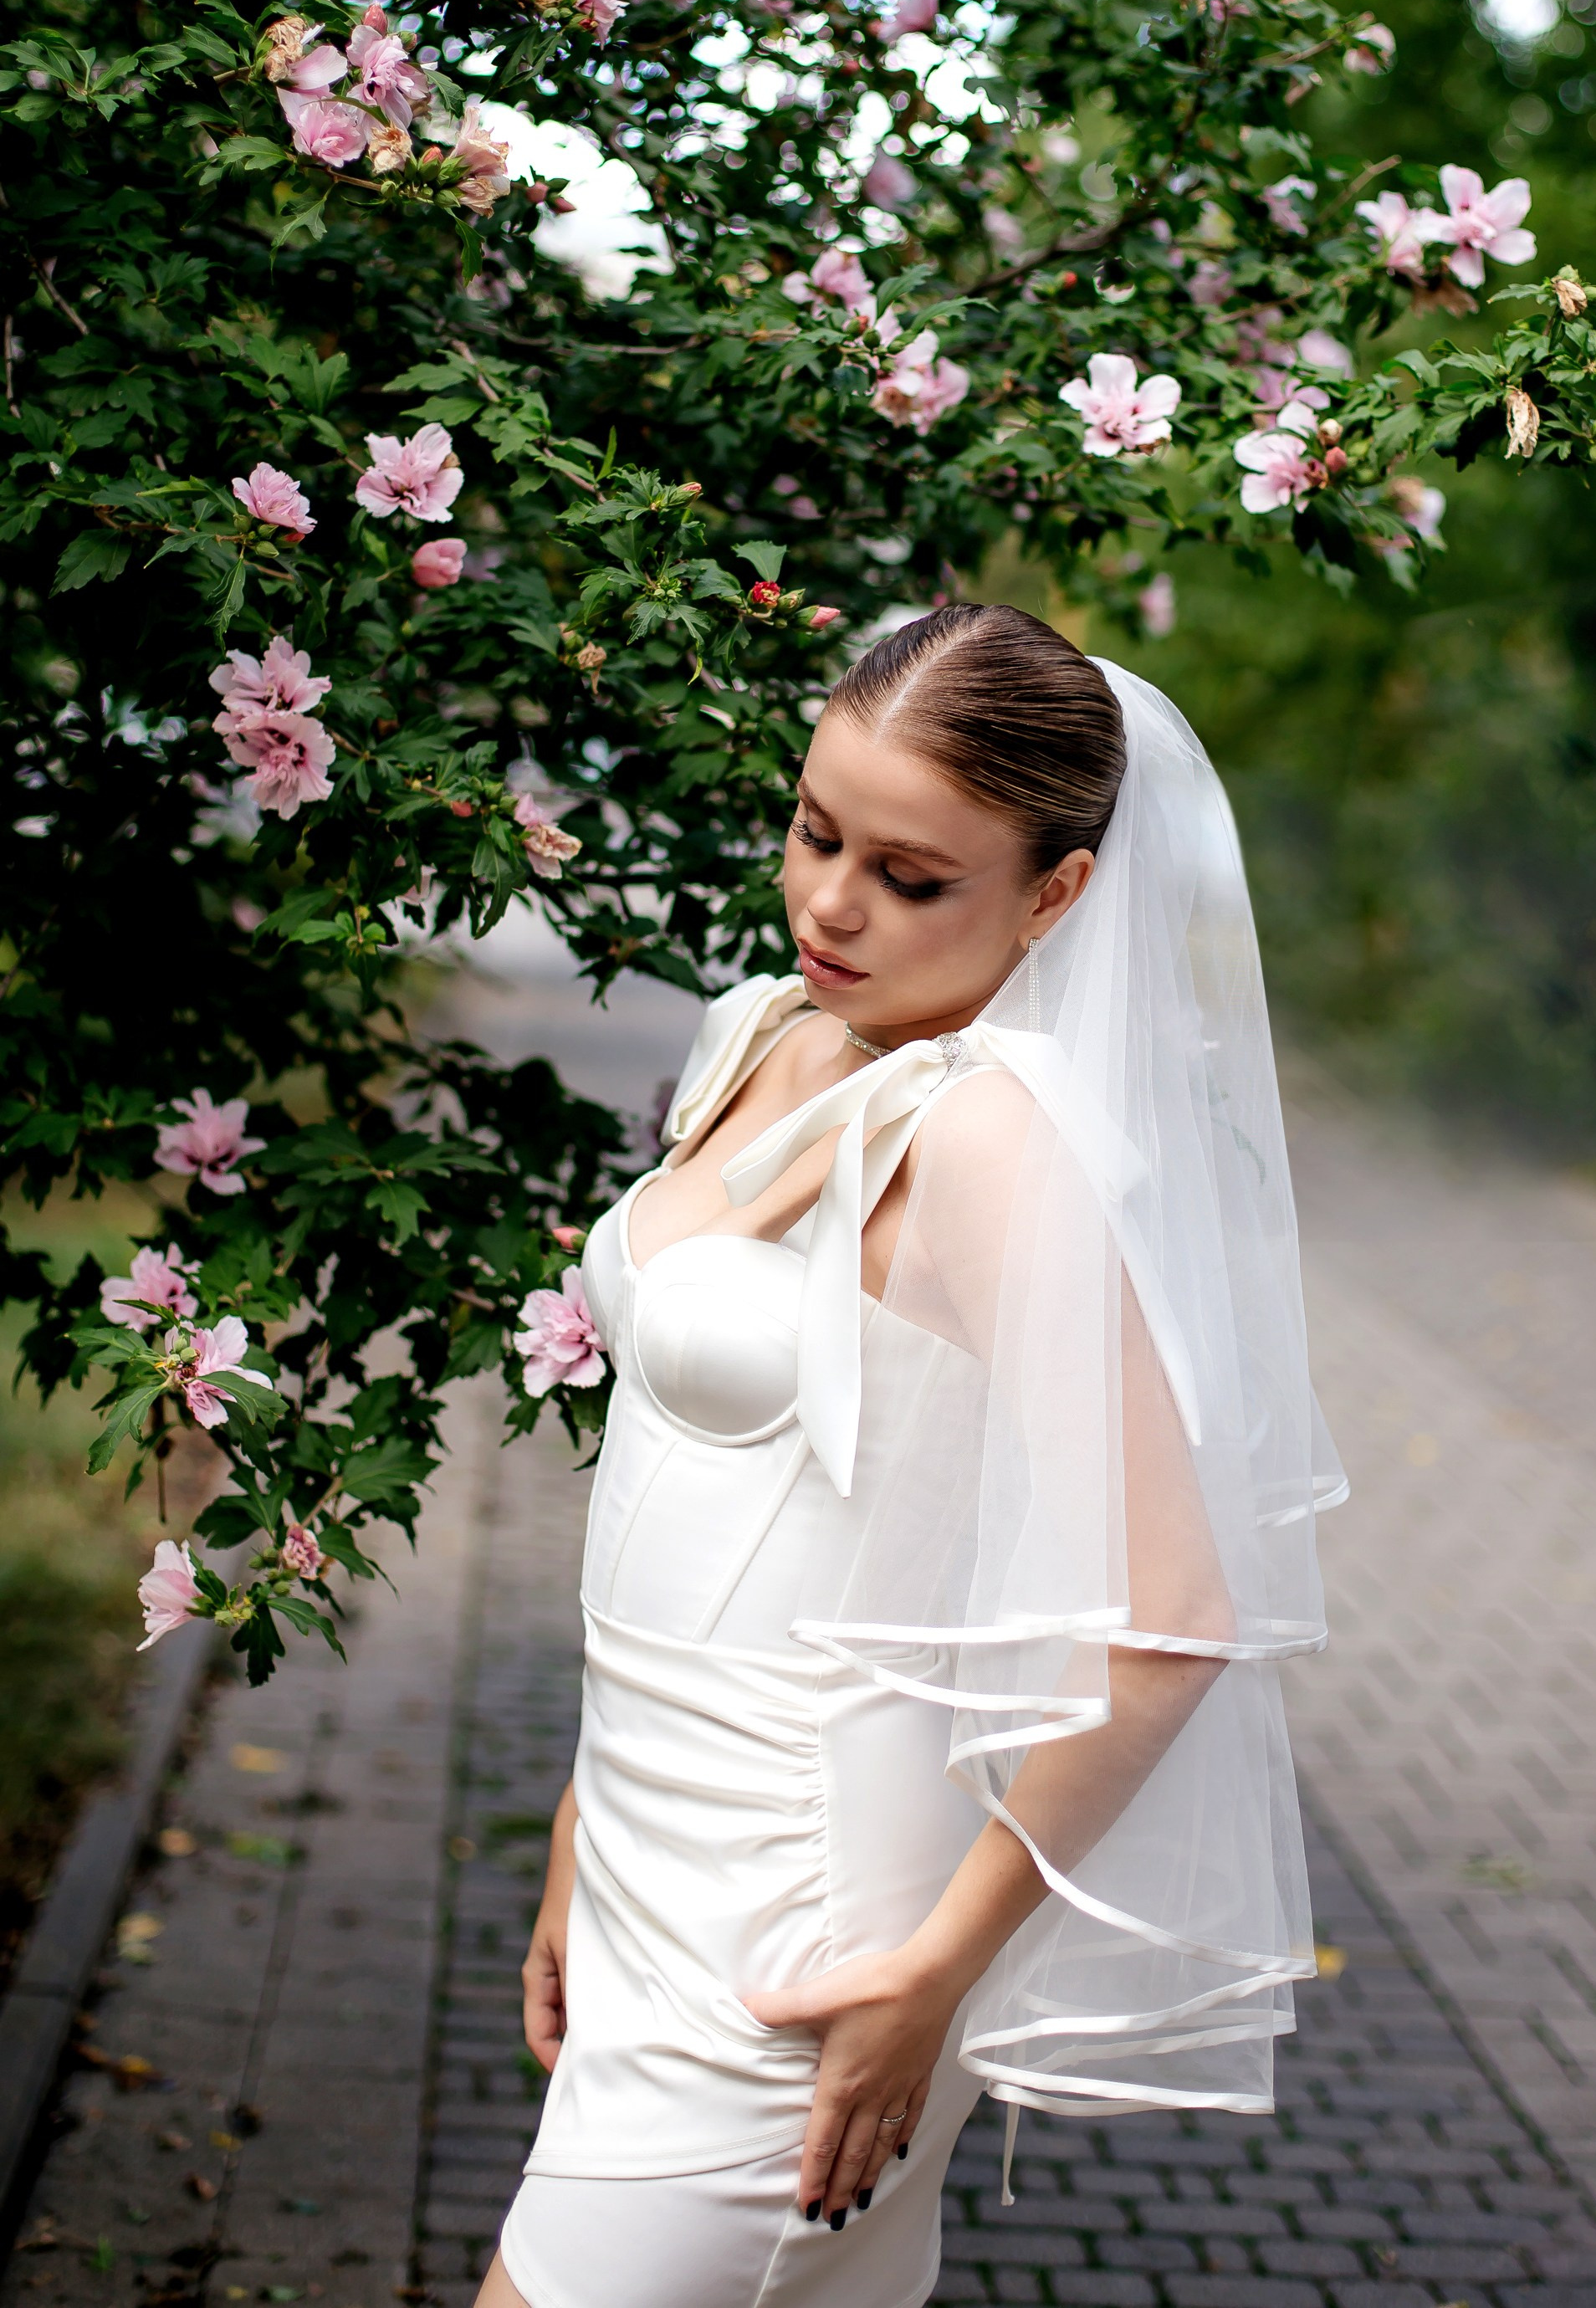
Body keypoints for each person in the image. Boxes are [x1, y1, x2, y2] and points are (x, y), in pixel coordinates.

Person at [481, 604, 1344, 2308]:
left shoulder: (987, 1138)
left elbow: (1172, 1619)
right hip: (656, 1842)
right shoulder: (762, 1033)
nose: (831, 903)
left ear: (1059, 893)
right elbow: (708, 1481)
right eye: (816, 831)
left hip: (804, 1936)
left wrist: (936, 1974)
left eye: (912, 876)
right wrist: (587, 1823)